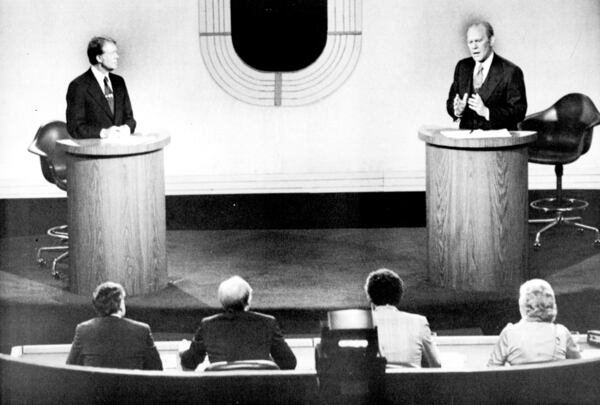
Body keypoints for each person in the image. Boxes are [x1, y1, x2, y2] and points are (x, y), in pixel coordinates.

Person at [179, 276, 297, 370]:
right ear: (248, 301)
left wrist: (183, 350)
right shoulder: (268, 323)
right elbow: (289, 363)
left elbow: (189, 363)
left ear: (221, 301)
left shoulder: (207, 325)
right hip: (260, 393)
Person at [446, 21, 527, 130]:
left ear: (491, 40)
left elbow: (519, 111)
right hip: (466, 142)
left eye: (478, 41)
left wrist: (487, 112)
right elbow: (451, 102)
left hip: (497, 142)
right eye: (470, 42)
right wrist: (457, 110)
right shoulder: (462, 67)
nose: (474, 46)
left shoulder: (511, 71)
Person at [66, 281, 163, 370]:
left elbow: (70, 370)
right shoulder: (142, 331)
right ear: (120, 304)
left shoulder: (83, 330)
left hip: (95, 389)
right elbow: (157, 370)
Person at [488, 279, 581, 366]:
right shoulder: (562, 332)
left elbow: (491, 371)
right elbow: (579, 366)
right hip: (555, 383)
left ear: (523, 305)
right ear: (552, 305)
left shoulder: (509, 333)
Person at [364, 268, 441, 368]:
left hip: (376, 382)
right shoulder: (419, 321)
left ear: (370, 297)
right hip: (410, 383)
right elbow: (436, 364)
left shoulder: (363, 322)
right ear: (398, 296)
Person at [66, 36, 136, 139]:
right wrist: (103, 133)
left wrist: (126, 128)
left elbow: (130, 119)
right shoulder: (78, 86)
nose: (117, 56)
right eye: (112, 53)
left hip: (121, 149)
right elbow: (75, 128)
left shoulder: (119, 82)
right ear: (99, 58)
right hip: (94, 151)